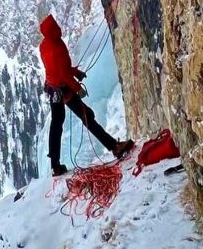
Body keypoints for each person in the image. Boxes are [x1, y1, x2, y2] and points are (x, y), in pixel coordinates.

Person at [39, 14, 134, 176]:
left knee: (56, 125)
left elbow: (57, 68)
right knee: (87, 116)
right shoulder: (58, 47)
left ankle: (55, 165)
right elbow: (63, 73)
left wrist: (75, 72)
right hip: (64, 88)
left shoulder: (44, 45)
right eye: (56, 27)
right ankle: (114, 147)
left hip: (53, 88)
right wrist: (78, 88)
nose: (59, 29)